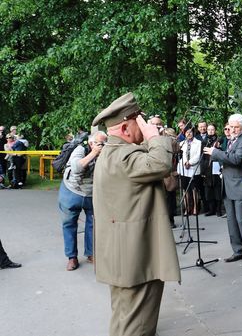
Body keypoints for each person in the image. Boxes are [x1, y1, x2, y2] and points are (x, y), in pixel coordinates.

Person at [92, 92, 180, 336]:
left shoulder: (111, 153)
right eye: (138, 121)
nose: (144, 126)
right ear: (126, 128)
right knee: (138, 327)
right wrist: (155, 137)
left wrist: (152, 138)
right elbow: (161, 165)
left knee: (123, 319)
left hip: (121, 257)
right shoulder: (125, 157)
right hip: (136, 257)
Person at [204, 113, 242, 268]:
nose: (233, 129)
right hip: (228, 184)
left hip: (240, 185)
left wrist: (216, 153)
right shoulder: (231, 139)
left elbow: (235, 159)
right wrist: (217, 154)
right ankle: (239, 250)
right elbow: (227, 156)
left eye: (237, 127)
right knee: (231, 220)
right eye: (231, 126)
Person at [58, 130, 107, 271]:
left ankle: (91, 253)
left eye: (105, 143)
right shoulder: (80, 149)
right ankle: (72, 257)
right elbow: (76, 167)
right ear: (91, 143)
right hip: (71, 190)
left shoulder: (106, 153)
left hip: (92, 192)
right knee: (69, 224)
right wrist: (94, 153)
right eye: (100, 143)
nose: (103, 146)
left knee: (93, 223)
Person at [178, 127, 202, 215]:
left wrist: (190, 162)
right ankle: (187, 207)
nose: (189, 134)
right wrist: (185, 162)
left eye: (190, 132)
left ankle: (195, 207)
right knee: (185, 189)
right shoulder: (182, 143)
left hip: (194, 168)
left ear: (193, 133)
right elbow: (183, 154)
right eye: (187, 132)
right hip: (184, 168)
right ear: (184, 134)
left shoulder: (198, 143)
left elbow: (198, 155)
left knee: (194, 189)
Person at [202, 124, 221, 216]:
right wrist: (203, 169)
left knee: (217, 187)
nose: (210, 131)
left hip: (216, 165)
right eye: (209, 129)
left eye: (212, 129)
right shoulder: (204, 141)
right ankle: (211, 209)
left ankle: (218, 209)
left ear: (215, 130)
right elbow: (202, 156)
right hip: (207, 166)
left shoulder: (219, 140)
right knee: (208, 189)